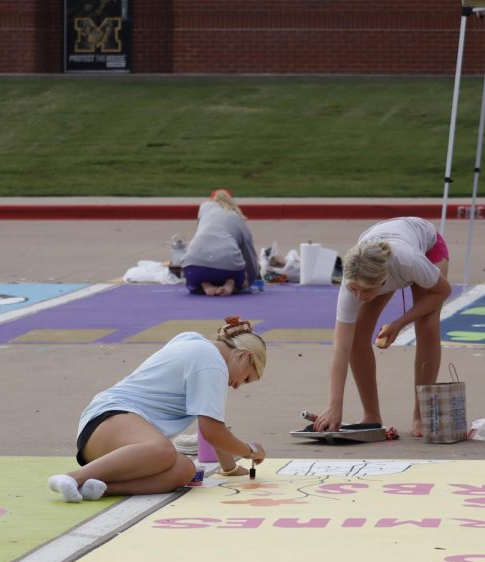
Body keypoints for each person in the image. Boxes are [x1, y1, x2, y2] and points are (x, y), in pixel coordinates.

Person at [48, 317, 268, 501]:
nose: (237, 385)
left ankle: (97, 487)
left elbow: (212, 428)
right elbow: (212, 431)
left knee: (185, 469)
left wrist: (229, 468)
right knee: (163, 450)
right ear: (245, 357)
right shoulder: (212, 363)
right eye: (246, 378)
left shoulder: (194, 342)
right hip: (109, 418)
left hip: (111, 443)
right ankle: (72, 477)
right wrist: (249, 451)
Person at [312, 217, 453, 439]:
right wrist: (334, 405)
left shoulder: (409, 262)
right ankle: (371, 414)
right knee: (358, 335)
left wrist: (400, 323)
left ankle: (421, 415)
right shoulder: (353, 283)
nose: (358, 297)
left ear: (384, 282)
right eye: (354, 289)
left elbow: (443, 292)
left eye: (365, 291)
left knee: (427, 327)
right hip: (378, 257)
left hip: (427, 249)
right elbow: (341, 349)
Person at [181, 190, 260, 296]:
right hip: (228, 269)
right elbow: (249, 252)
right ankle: (231, 283)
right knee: (239, 278)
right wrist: (249, 278)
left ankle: (204, 284)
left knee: (193, 279)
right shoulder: (236, 218)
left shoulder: (205, 211)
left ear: (211, 200)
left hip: (194, 268)